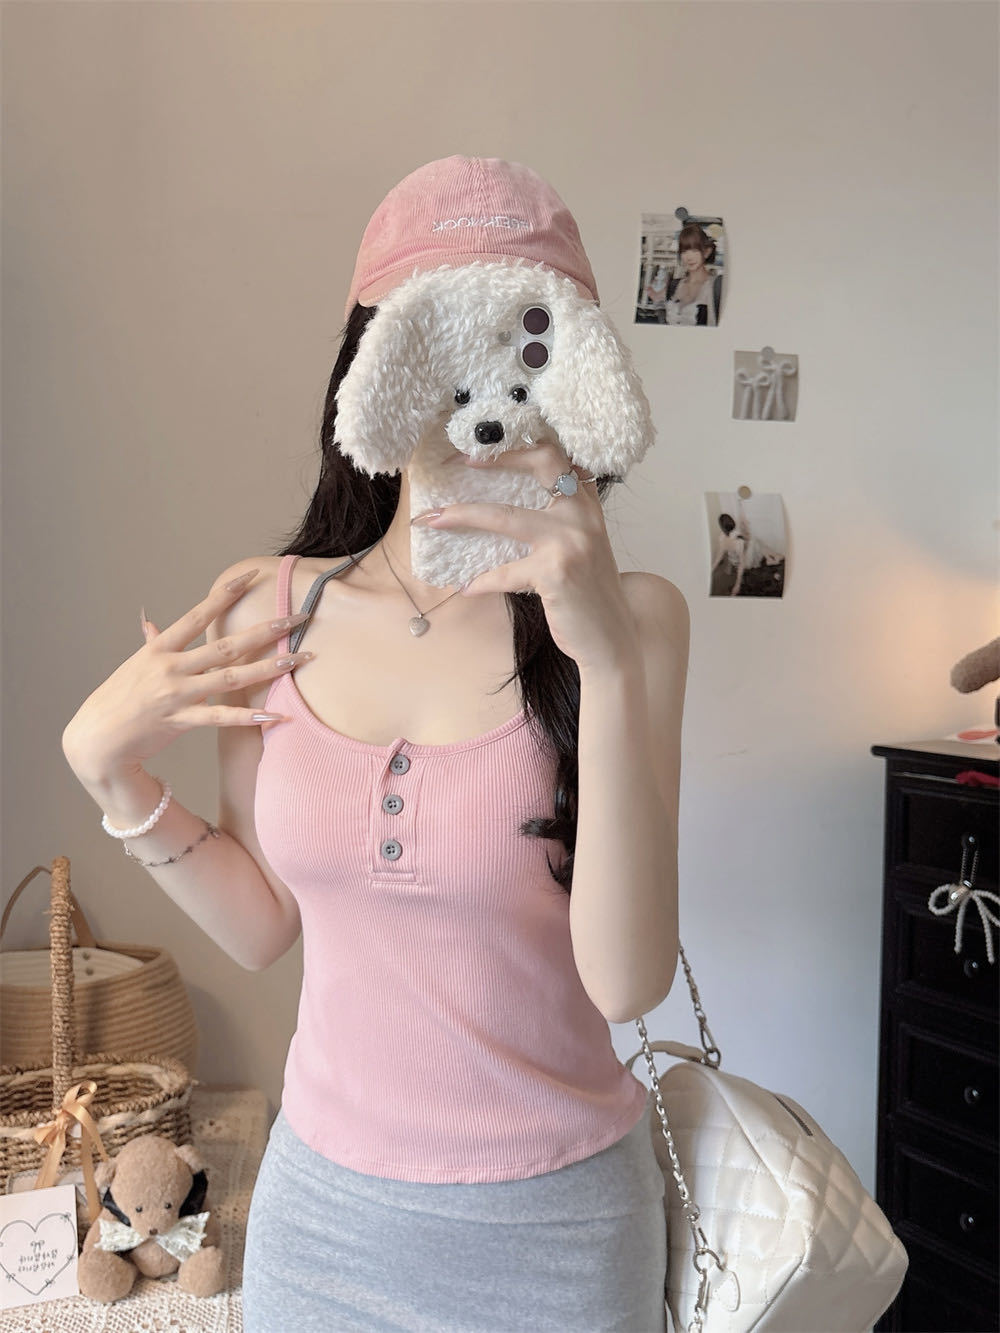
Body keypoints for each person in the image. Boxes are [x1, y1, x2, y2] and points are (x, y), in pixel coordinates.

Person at [61, 155, 689, 1332]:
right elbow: (264, 924)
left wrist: (602, 657)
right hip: (324, 1222)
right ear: (374, 364)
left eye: (522, 339)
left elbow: (628, 979)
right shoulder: (269, 608)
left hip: (560, 1231)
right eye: (434, 336)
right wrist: (115, 777)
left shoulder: (637, 618)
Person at [665, 222, 723, 326]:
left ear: (706, 252)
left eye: (695, 250)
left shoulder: (716, 286)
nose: (689, 257)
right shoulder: (674, 285)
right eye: (684, 251)